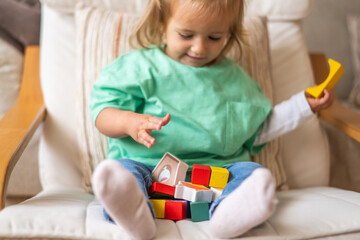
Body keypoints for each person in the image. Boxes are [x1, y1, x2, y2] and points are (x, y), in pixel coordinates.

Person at [89, 0, 334, 239]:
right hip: (148, 170)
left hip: (215, 178)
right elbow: (102, 114)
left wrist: (302, 106)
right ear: (162, 23)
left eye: (214, 37)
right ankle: (137, 217)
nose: (199, 48)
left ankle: (229, 217)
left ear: (229, 34)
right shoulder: (139, 67)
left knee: (252, 173)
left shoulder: (236, 80)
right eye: (186, 35)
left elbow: (258, 129)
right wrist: (129, 122)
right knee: (121, 172)